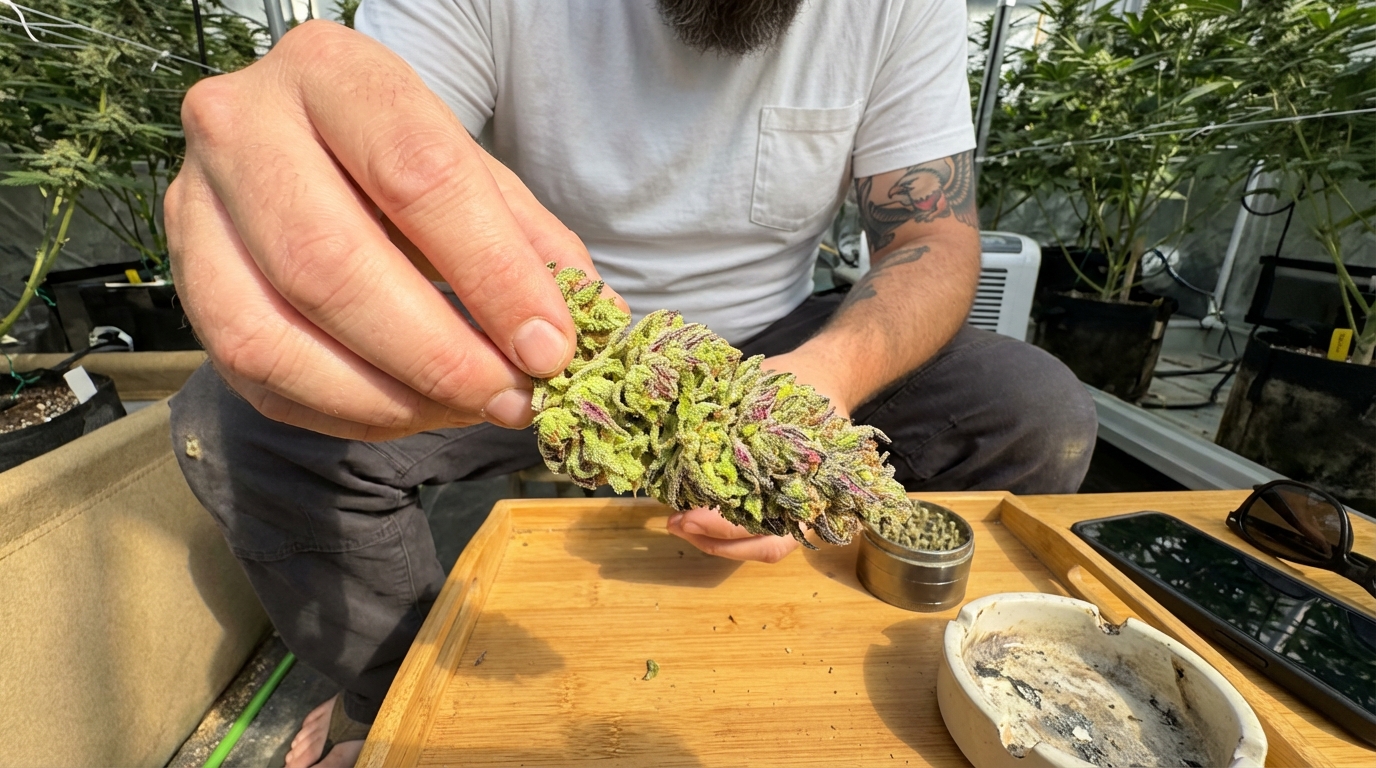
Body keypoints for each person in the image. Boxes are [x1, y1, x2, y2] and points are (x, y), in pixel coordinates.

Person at [165, 0, 1097, 764]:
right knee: (238, 422)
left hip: (780, 341)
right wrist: (298, 160)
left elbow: (932, 238)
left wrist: (819, 385)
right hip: (548, 343)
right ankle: (396, 685)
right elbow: (364, 154)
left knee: (1032, 411)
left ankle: (899, 651)